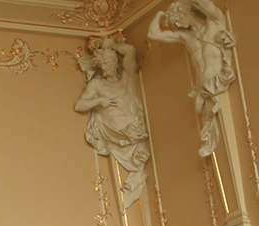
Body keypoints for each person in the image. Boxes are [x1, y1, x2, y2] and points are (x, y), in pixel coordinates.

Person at [147, 0, 235, 157]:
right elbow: (152, 34)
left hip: (218, 84)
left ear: (186, 12)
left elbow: (207, 5)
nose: (177, 25)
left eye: (177, 19)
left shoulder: (213, 23)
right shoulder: (186, 37)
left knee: (225, 133)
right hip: (204, 91)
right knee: (211, 136)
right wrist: (160, 14)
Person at [74, 35, 149, 208]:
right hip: (115, 134)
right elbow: (79, 105)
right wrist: (99, 101)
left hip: (134, 133)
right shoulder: (97, 84)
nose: (104, 68)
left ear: (115, 63)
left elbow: (130, 50)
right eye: (101, 64)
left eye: (106, 63)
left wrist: (110, 45)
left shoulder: (127, 79)